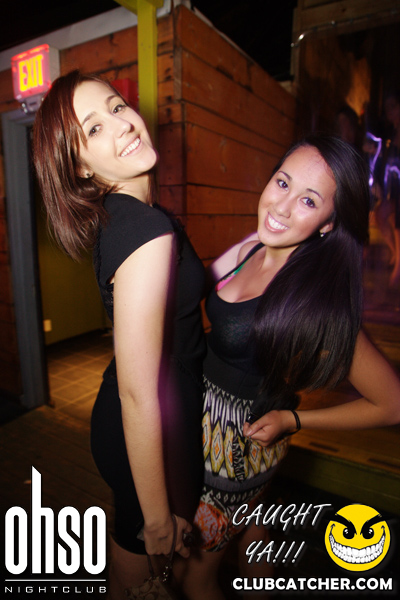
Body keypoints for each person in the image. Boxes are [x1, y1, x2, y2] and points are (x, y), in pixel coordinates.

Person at [179, 135, 400, 600]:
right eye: (282, 182)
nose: (280, 206)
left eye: (308, 200)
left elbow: (391, 403)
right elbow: (191, 301)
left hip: (234, 452)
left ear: (328, 223)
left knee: (194, 579)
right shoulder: (249, 250)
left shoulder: (316, 302)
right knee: (253, 536)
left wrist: (294, 420)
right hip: (206, 430)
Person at [32, 70, 206, 599]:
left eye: (116, 107)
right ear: (81, 167)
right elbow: (137, 391)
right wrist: (157, 517)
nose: (122, 124)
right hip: (148, 426)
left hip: (136, 423)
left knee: (139, 575)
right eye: (94, 128)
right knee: (148, 577)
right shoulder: (143, 229)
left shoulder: (131, 216)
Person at [373, 91, 400, 287]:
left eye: (393, 106)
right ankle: (395, 251)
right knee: (381, 214)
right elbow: (386, 162)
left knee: (397, 221)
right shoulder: (391, 134)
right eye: (387, 108)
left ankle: (399, 264)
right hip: (394, 187)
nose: (389, 112)